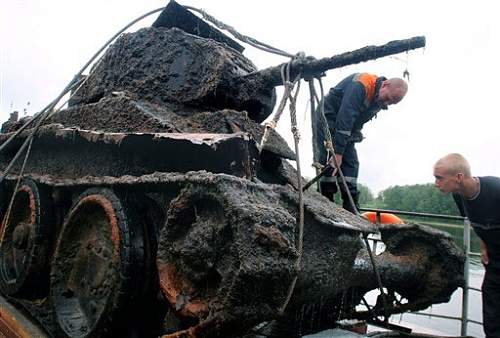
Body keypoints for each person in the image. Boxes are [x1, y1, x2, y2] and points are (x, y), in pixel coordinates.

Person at [312, 73, 408, 212]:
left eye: (391, 103)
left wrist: (356, 133)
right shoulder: (362, 84)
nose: (386, 103)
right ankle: (326, 201)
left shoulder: (379, 100)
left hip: (346, 129)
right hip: (328, 118)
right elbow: (345, 117)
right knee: (330, 161)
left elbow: (357, 119)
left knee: (351, 163)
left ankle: (350, 206)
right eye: (388, 99)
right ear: (385, 85)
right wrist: (338, 153)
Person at [433, 153, 500, 338]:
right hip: (494, 262)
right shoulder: (459, 196)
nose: (436, 183)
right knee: (492, 312)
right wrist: (484, 246)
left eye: (439, 178)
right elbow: (477, 222)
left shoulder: (495, 190)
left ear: (459, 177)